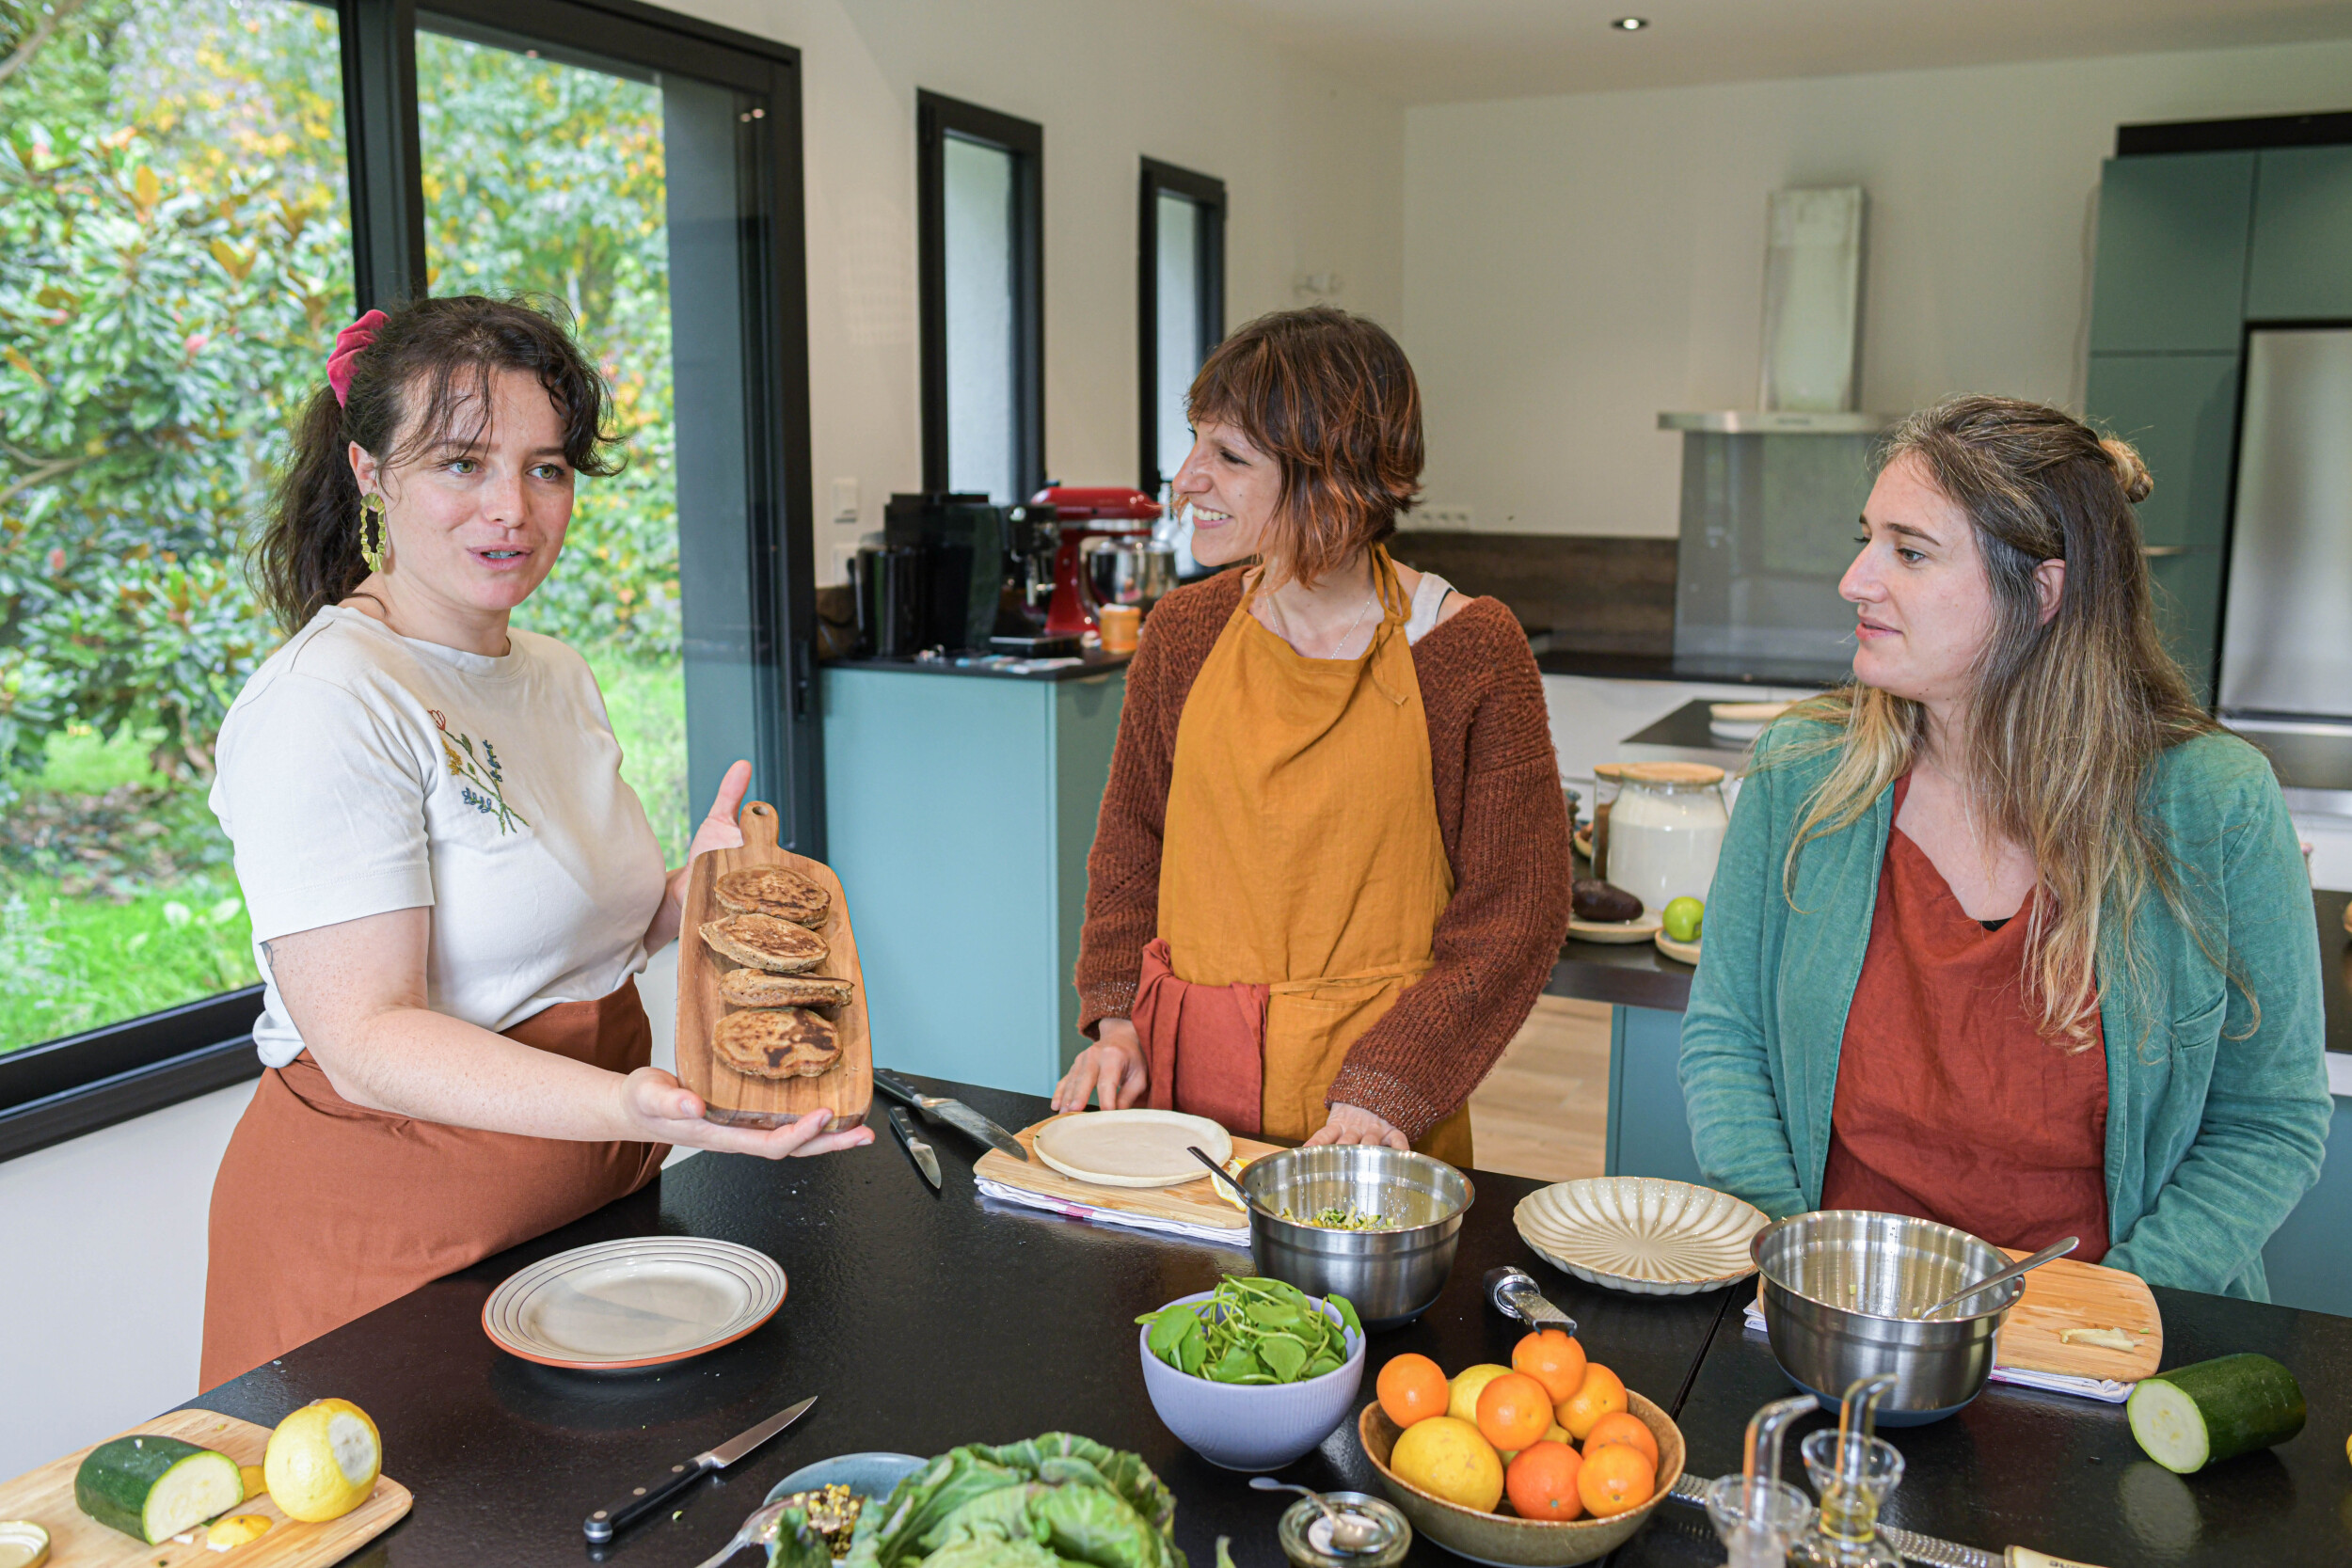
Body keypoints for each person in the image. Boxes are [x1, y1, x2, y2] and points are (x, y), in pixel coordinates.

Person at [200, 298, 870, 1389]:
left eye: (546, 468)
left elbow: (565, 935)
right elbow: (367, 1034)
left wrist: (683, 897)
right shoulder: (328, 699)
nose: (512, 508)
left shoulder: (551, 670)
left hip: (585, 1203)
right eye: (461, 464)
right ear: (370, 471)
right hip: (389, 1239)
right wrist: (623, 1100)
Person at [1680, 395, 2330, 1297]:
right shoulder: (1805, 772)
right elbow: (1726, 1042)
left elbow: (2269, 1121)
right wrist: (1800, 1266)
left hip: (2104, 1353)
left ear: (2041, 592)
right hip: (1835, 1314)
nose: (1856, 580)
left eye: (1909, 552)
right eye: (1865, 539)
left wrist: (2097, 1312)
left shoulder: (2212, 802)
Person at [1051, 307, 1572, 1163]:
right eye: (1193, 442)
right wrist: (1118, 1026)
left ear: (1333, 477)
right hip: (1182, 1105)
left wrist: (1389, 1090)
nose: (1186, 480)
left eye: (1229, 456)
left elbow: (1515, 915)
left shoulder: (1466, 650)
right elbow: (1129, 850)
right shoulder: (1183, 634)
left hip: (1370, 1126)